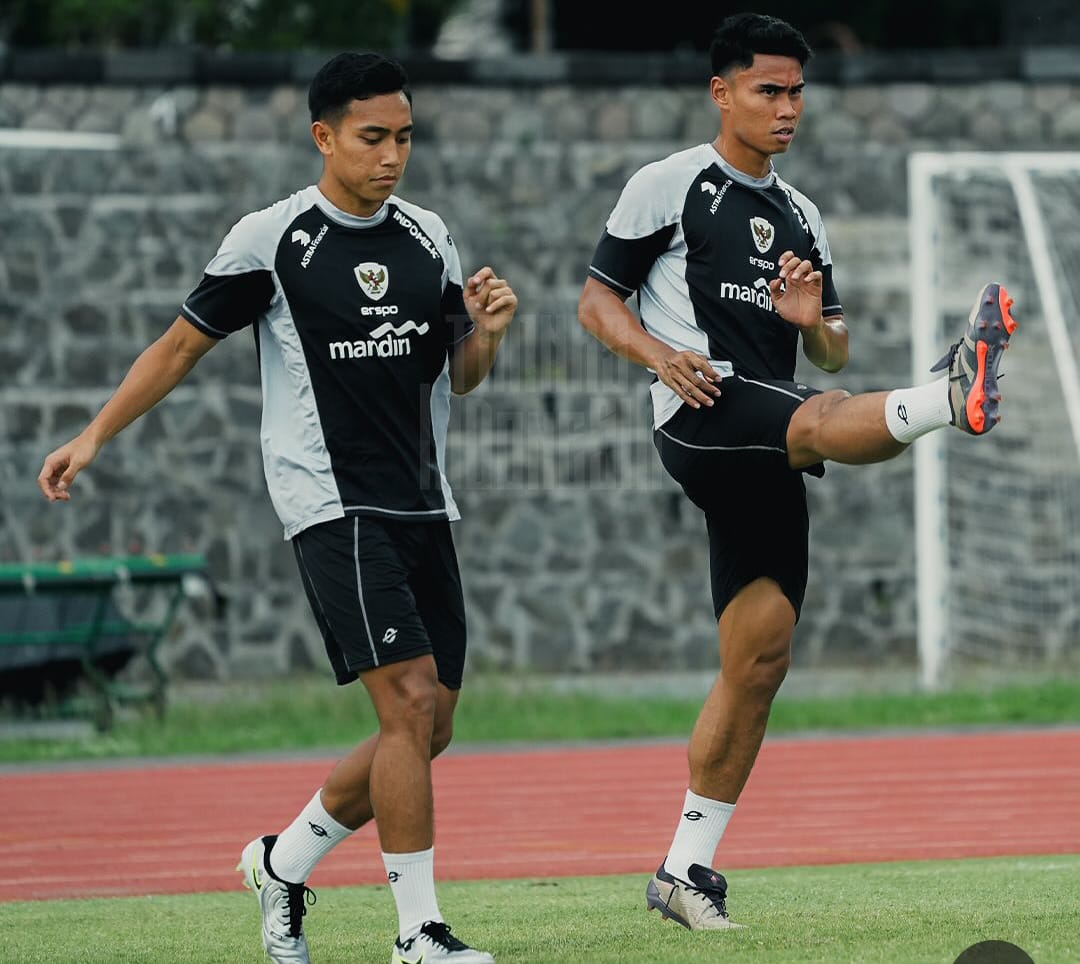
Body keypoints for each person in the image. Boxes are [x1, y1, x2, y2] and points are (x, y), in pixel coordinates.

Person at [37, 52, 516, 964]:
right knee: (408, 704)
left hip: (423, 503)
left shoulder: (429, 238)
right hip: (331, 502)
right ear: (323, 136)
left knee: (428, 724)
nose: (391, 157)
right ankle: (419, 934)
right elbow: (180, 346)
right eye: (372, 138)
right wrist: (94, 435)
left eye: (404, 138)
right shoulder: (273, 238)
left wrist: (486, 334)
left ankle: (282, 862)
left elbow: (462, 374)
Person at [577, 12, 1016, 931]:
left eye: (796, 92)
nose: (786, 108)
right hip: (702, 412)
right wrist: (659, 357)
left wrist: (811, 317)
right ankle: (946, 394)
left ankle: (682, 874)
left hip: (773, 426)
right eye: (769, 90)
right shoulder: (668, 184)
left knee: (761, 655)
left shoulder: (801, 212)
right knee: (822, 421)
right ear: (723, 92)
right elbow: (595, 303)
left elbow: (829, 348)